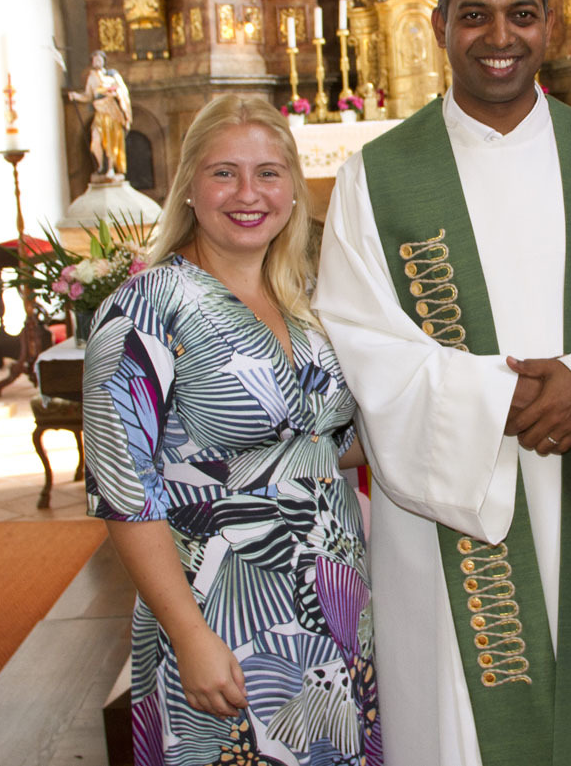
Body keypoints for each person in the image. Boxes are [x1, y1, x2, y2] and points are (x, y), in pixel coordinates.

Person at [313, 0, 571, 766]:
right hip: (446, 500)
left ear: (551, 22)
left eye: (520, 13)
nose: (499, 36)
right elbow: (360, 338)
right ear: (438, 24)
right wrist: (494, 401)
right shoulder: (378, 175)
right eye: (474, 14)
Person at [82, 95, 381, 766]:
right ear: (189, 185)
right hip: (222, 610)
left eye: (269, 173)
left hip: (332, 605)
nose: (249, 193)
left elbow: (324, 444)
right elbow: (124, 490)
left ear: (293, 189)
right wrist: (189, 635)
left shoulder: (304, 301)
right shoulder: (145, 308)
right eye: (225, 173)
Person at [68, 50, 132, 182]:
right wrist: (76, 96)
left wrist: (114, 93)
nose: (97, 61)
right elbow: (88, 96)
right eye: (95, 59)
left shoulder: (112, 75)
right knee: (96, 140)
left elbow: (122, 91)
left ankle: (111, 169)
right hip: (99, 112)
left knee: (111, 140)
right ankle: (101, 166)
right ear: (92, 62)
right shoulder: (91, 78)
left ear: (104, 61)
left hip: (112, 112)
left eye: (99, 59)